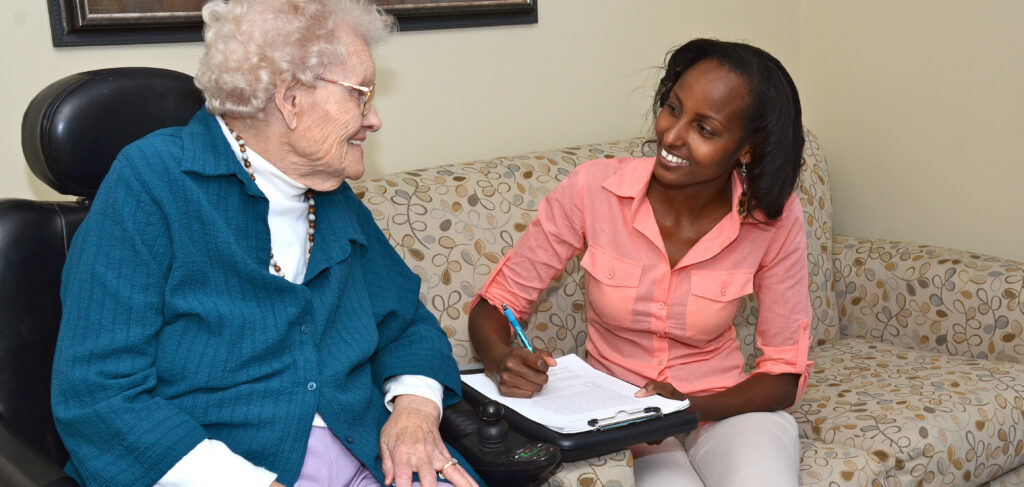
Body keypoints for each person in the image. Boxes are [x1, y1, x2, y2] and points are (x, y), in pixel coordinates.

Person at [50, 1, 479, 486]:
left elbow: (406, 323)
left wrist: (415, 413)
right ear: (290, 98)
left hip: (364, 451)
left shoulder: (328, 191)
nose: (374, 118)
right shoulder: (152, 182)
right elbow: (98, 395)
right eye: (362, 95)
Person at [468, 38, 812, 486]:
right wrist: (500, 358)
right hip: (621, 418)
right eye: (673, 108)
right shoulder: (593, 190)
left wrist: (688, 407)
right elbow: (497, 303)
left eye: (704, 129)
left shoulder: (773, 218)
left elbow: (783, 373)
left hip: (724, 409)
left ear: (747, 148)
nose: (671, 136)